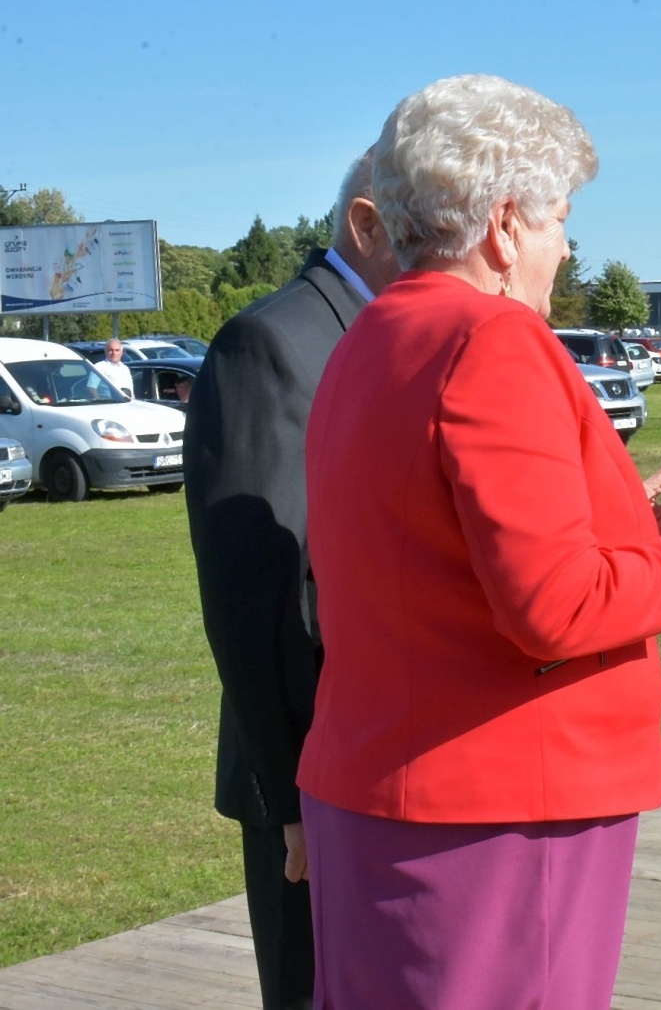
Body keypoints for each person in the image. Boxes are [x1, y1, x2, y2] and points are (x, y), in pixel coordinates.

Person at [295, 74, 661, 1010]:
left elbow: (439, 547)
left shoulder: (369, 338)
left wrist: (634, 516)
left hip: (385, 790)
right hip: (493, 810)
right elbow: (552, 605)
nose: (566, 248)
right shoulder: (493, 340)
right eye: (559, 220)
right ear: (503, 226)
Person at [184, 148, 398, 1010]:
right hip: (310, 787)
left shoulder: (387, 336)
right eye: (426, 222)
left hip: (387, 769)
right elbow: (259, 597)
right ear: (368, 223)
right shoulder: (273, 343)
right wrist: (295, 796)